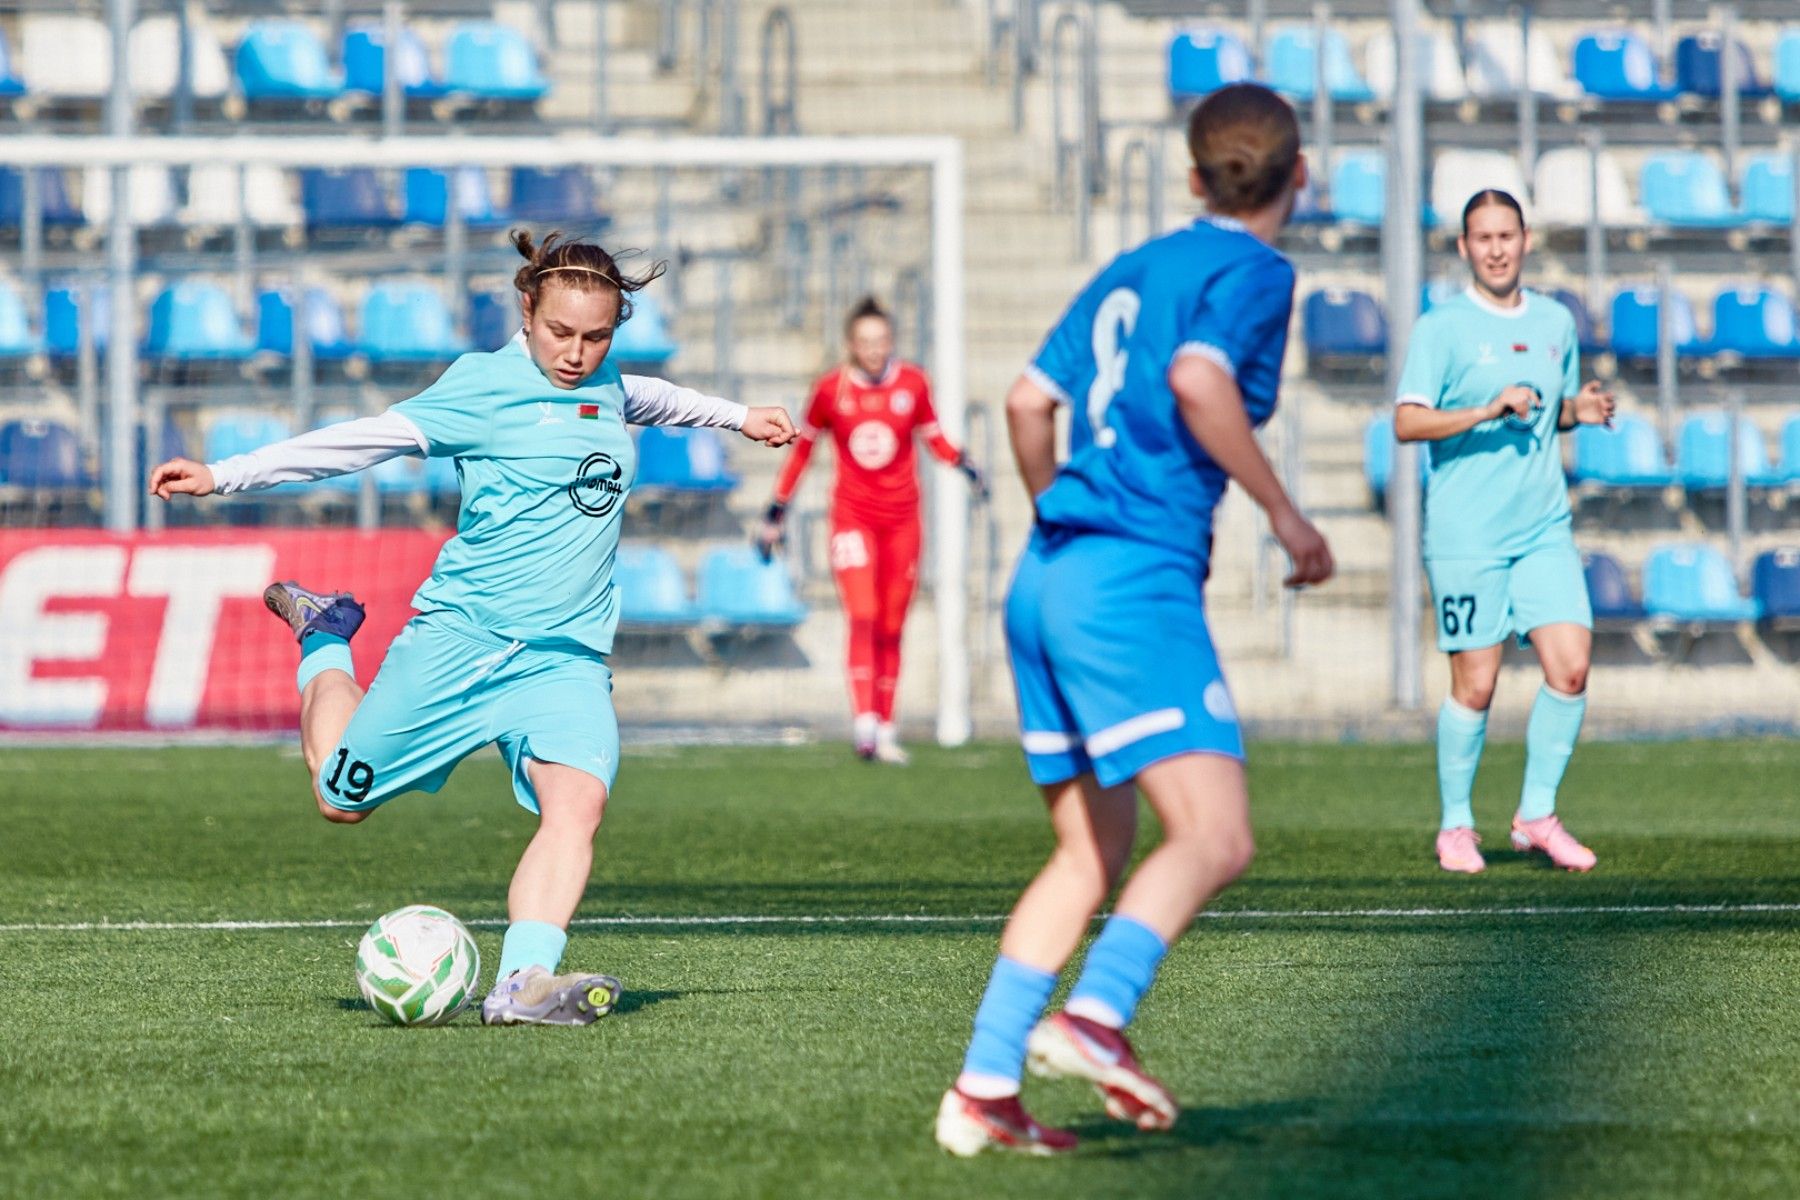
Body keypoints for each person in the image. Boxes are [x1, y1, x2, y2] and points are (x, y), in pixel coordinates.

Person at [147, 231, 797, 1025]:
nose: (576, 354)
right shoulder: (482, 387)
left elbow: (649, 397)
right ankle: (323, 637)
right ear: (527, 309)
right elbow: (361, 441)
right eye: (560, 332)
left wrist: (738, 417)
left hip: (563, 660)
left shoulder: (607, 382)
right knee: (339, 799)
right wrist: (226, 474)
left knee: (577, 805)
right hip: (462, 643)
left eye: (597, 337)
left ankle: (523, 982)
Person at [934, 83, 1334, 1157]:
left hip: (1049, 571)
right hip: (1129, 577)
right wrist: (1285, 513)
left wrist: (1058, 515)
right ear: (1300, 175)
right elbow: (1200, 380)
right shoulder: (1258, 272)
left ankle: (984, 1087)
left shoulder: (1135, 265)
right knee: (1216, 835)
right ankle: (1097, 1016)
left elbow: (1027, 400)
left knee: (1088, 854)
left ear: (1195, 177)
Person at [1394, 191, 1614, 875]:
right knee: (1477, 686)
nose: (1496, 249)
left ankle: (1536, 816)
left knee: (1571, 666)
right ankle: (1456, 826)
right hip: (1468, 533)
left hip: (1542, 527)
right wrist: (1485, 409)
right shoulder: (1441, 327)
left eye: (1506, 236)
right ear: (1464, 247)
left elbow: (1551, 409)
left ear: (1526, 240)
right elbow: (1407, 421)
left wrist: (1581, 409)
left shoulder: (1554, 321)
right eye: (1482, 238)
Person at [755, 297, 987, 765]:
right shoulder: (831, 390)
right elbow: (803, 452)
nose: (874, 350)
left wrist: (964, 464)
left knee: (891, 624)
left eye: (881, 340)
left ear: (892, 341)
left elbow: (934, 437)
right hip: (853, 518)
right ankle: (864, 725)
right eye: (865, 341)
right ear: (851, 344)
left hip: (903, 522)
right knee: (862, 613)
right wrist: (776, 510)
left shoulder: (913, 384)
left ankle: (885, 726)